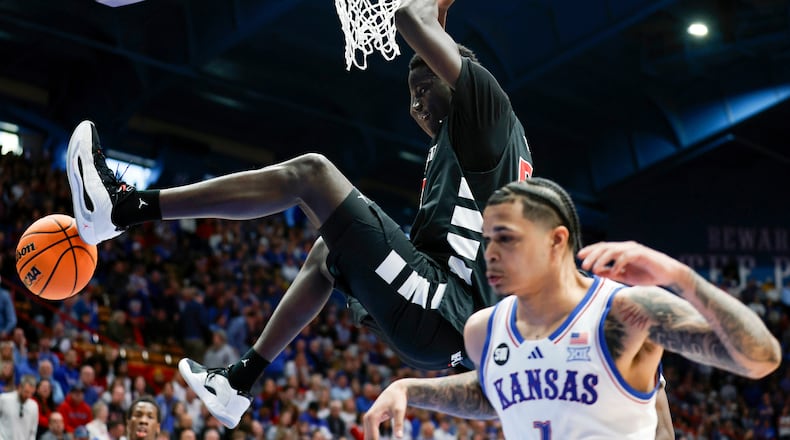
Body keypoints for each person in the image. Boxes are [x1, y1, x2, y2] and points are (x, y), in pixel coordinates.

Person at [66, 0, 532, 429]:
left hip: (441, 308)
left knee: (311, 174)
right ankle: (237, 383)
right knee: (328, 250)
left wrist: (432, 10)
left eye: (423, 90)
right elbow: (433, 43)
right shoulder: (480, 133)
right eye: (412, 95)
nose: (415, 107)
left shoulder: (487, 108)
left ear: (455, 78)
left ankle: (125, 208)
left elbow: (412, 18)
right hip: (441, 313)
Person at [362, 178, 782, 439]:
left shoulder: (625, 310)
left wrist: (680, 278)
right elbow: (498, 393)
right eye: (487, 240)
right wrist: (409, 388)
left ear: (556, 241)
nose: (489, 253)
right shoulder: (483, 329)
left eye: (506, 239)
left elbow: (760, 359)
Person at [0, 374, 39, 440]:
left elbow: (33, 431)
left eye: (31, 393)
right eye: (26, 392)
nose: (28, 396)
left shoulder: (34, 406)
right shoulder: (4, 399)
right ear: (20, 387)